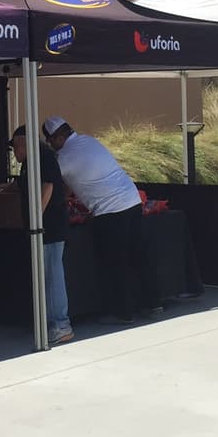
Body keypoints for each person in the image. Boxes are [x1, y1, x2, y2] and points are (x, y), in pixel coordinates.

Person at [43, 115, 158, 324]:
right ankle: (153, 302)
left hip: (110, 211)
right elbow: (74, 180)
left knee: (117, 261)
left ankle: (124, 312)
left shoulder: (63, 158)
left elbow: (56, 187)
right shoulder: (88, 140)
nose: (50, 145)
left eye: (50, 140)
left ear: (58, 137)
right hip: (131, 201)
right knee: (138, 254)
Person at [10, 125, 73, 344]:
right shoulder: (30, 162)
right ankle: (48, 322)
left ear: (22, 143)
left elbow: (49, 186)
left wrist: (37, 216)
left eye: (15, 147)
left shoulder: (43, 157)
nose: (14, 153)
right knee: (45, 276)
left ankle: (61, 324)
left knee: (52, 275)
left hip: (50, 227)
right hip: (42, 227)